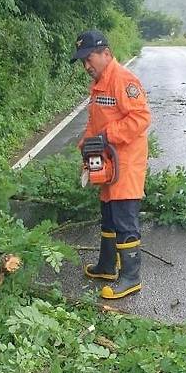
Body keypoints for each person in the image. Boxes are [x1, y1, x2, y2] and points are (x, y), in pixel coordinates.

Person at [70, 30, 151, 299]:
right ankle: (106, 266)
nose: (86, 66)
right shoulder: (99, 84)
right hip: (106, 162)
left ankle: (131, 277)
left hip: (125, 164)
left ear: (106, 53)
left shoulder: (123, 80)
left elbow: (140, 118)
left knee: (124, 219)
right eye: (83, 61)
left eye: (89, 59)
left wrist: (106, 136)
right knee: (108, 214)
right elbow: (95, 122)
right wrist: (87, 144)